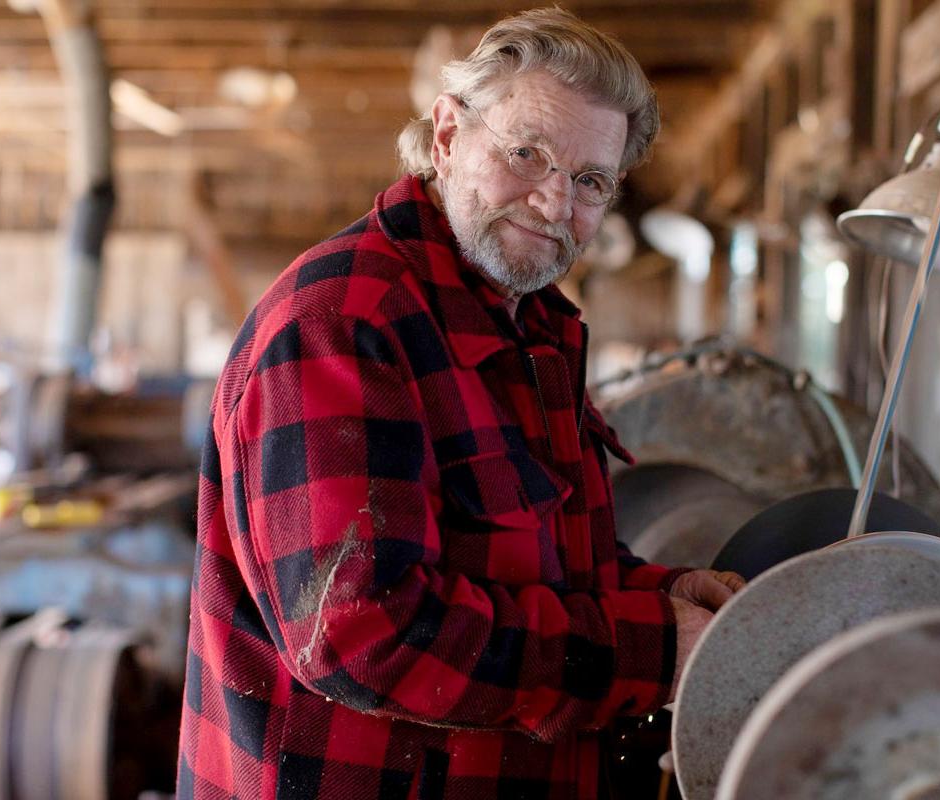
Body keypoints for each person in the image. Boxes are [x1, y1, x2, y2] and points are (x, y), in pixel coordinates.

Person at [178, 8, 749, 799]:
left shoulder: (530, 324)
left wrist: (657, 597)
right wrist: (651, 652)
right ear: (447, 135)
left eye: (590, 182)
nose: (555, 203)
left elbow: (534, 566)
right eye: (528, 154)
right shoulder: (345, 322)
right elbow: (362, 633)